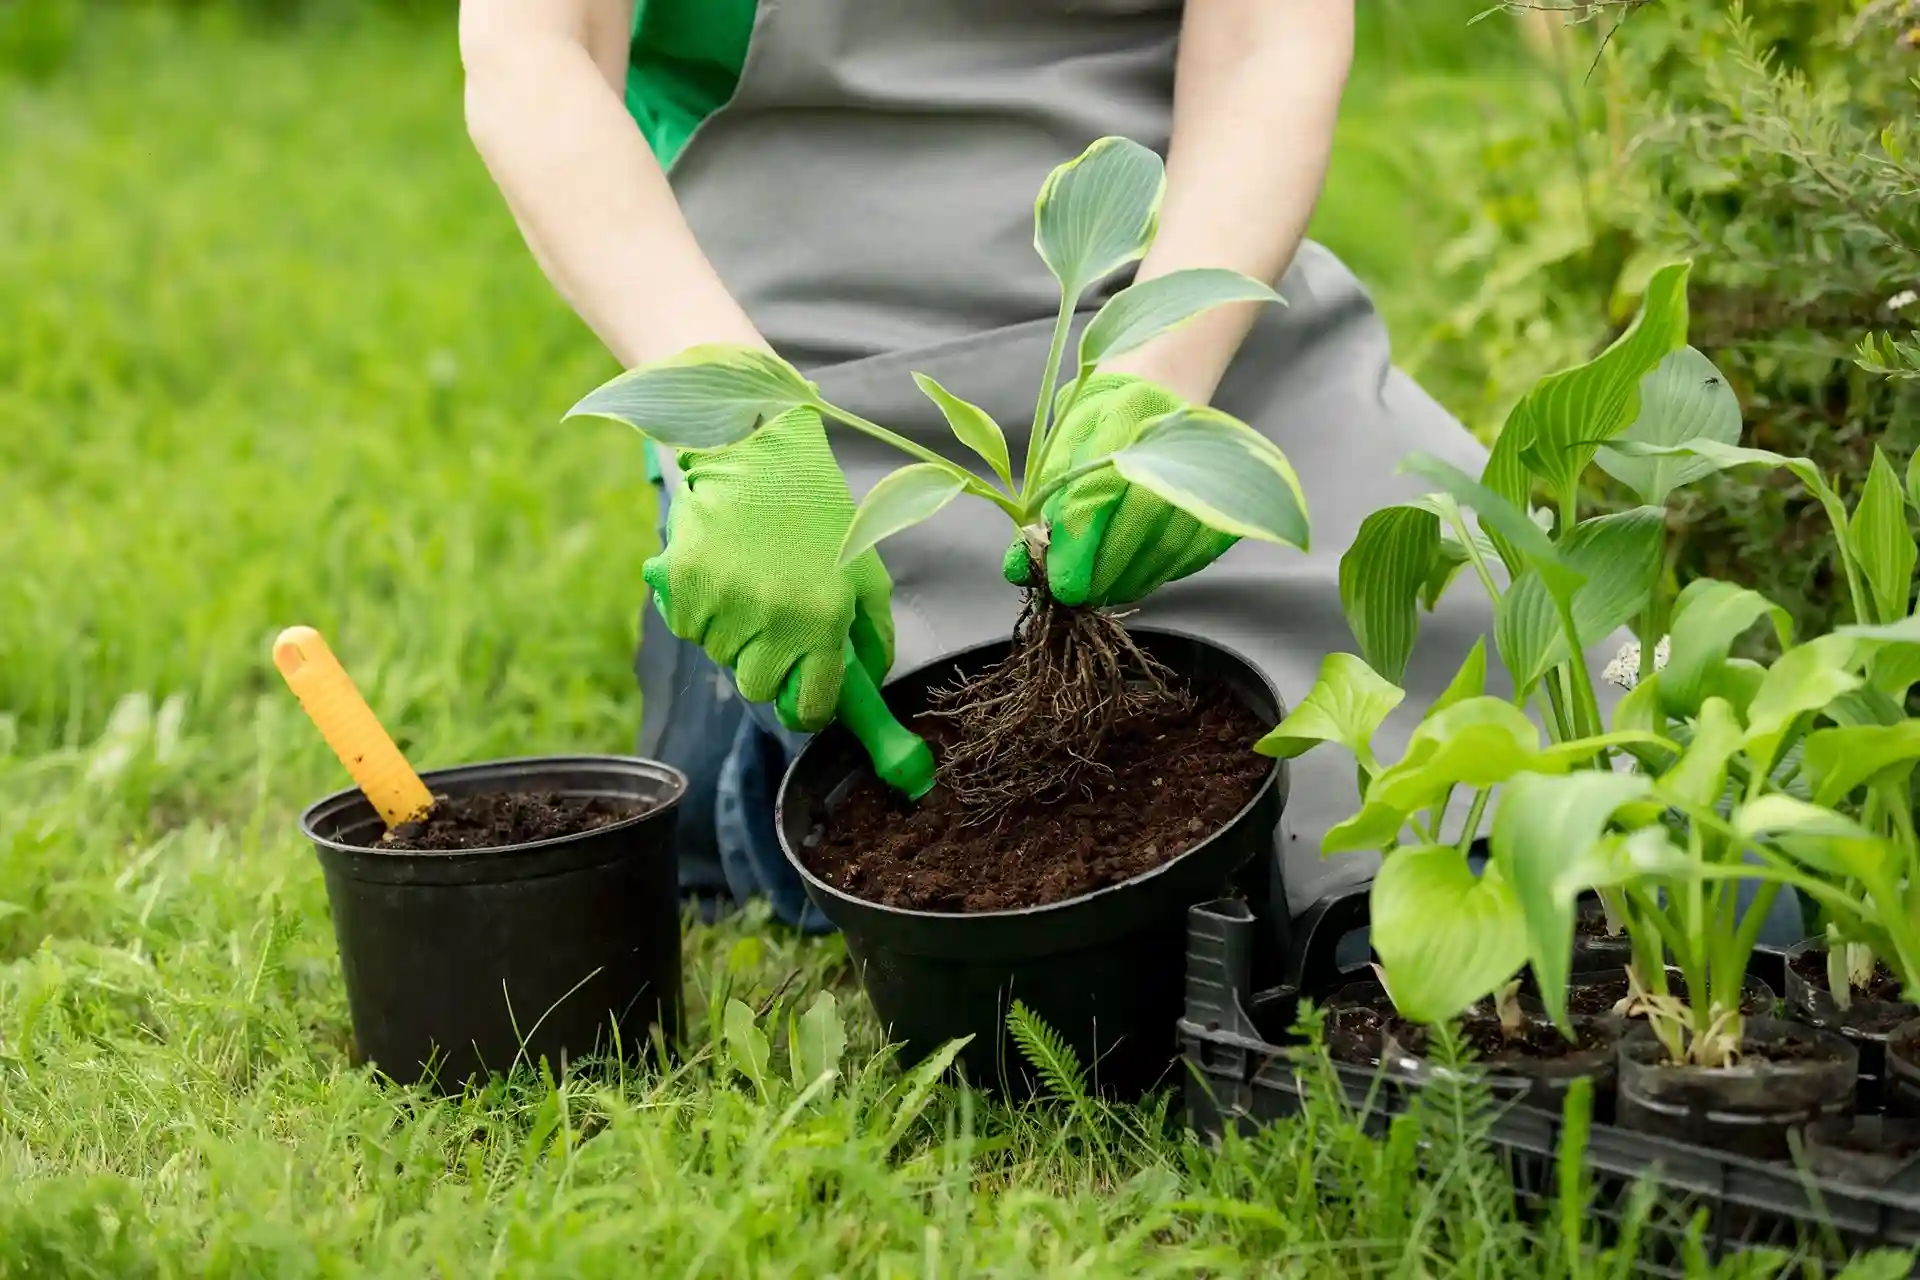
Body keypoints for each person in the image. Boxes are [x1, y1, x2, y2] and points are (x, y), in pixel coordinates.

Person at [460, 0, 1794, 947]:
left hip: (1180, 308)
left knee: (1592, 726)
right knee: (1035, 866)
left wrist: (1162, 382)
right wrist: (735, 423)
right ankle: (731, 771)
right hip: (806, 357)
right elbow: (532, 53)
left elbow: (1269, 36)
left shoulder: (1178, 342)